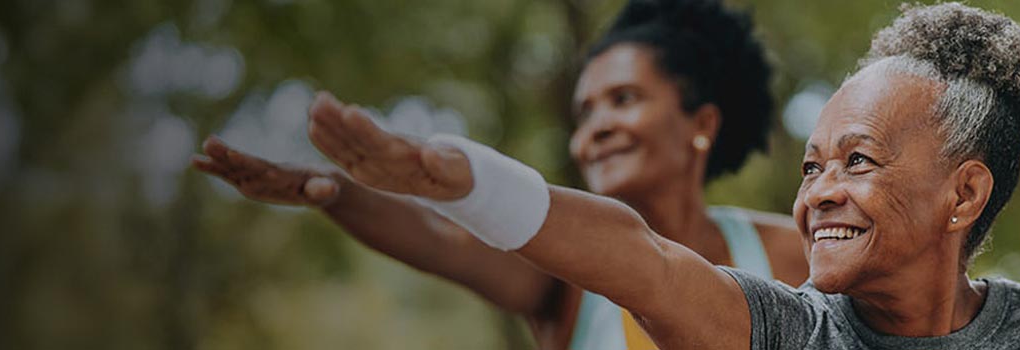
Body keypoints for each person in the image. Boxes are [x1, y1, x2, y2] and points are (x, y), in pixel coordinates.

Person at [301, 3, 1020, 349]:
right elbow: (639, 259)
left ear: (963, 195)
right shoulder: (787, 330)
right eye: (811, 164)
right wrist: (458, 179)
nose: (819, 189)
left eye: (856, 162)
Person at [191, 0, 805, 348]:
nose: (595, 129)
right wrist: (335, 194)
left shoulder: (788, 252)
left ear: (701, 122)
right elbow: (441, 241)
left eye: (623, 99)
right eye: (584, 112)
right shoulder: (566, 281)